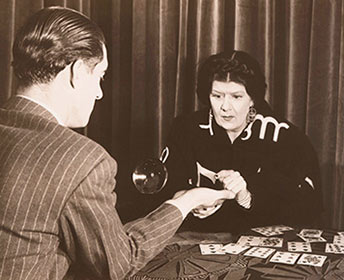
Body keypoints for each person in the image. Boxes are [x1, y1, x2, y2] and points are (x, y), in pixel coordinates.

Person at [0, 7, 236, 280]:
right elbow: (117, 265)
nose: (100, 93)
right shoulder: (82, 159)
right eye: (100, 76)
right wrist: (184, 204)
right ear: (76, 72)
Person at [159, 51, 323, 234]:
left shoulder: (286, 138)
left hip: (262, 248)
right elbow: (161, 190)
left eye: (236, 97)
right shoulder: (185, 128)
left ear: (253, 98)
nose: (225, 107)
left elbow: (308, 209)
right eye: (217, 96)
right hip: (194, 239)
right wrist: (185, 200)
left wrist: (246, 197)